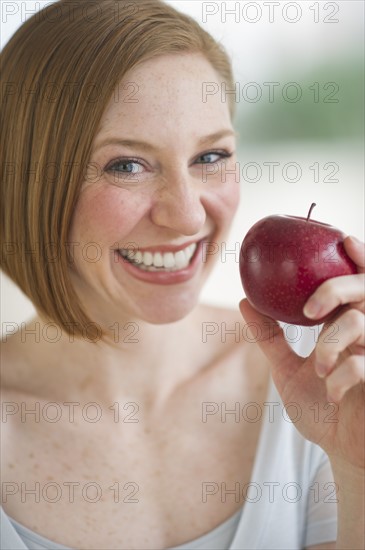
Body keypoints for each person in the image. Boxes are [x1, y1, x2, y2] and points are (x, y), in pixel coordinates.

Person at [0, 1, 364, 549]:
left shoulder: (319, 385)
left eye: (211, 155)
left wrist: (356, 467)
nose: (189, 215)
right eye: (127, 165)